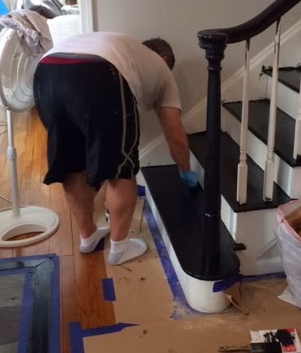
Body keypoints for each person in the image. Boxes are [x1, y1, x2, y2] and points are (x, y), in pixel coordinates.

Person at [32, 32, 199, 266]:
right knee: (120, 169)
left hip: (46, 72)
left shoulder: (126, 49)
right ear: (164, 59)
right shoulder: (161, 70)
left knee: (72, 164)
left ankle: (88, 237)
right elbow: (175, 134)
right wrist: (185, 170)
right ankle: (120, 248)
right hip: (97, 71)